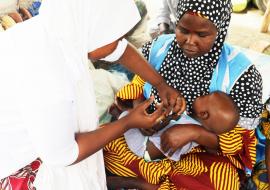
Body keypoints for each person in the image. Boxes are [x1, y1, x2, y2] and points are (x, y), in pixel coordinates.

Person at [0, 0, 185, 189]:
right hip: (17, 170)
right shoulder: (49, 74)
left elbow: (118, 50)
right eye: (115, 36)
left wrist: (160, 84)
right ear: (94, 26)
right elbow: (63, 155)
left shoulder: (55, 29)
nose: (119, 41)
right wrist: (128, 122)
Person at [104, 0, 264, 189]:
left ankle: (145, 183)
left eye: (202, 34)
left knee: (221, 179)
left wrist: (195, 133)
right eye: (183, 30)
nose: (189, 41)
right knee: (105, 149)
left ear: (220, 30)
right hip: (146, 140)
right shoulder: (159, 48)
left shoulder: (242, 75)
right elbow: (137, 86)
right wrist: (139, 108)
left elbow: (240, 143)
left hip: (199, 155)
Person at [117, 91, 240, 162]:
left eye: (204, 96)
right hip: (149, 146)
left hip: (143, 148)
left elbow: (162, 137)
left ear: (203, 114)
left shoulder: (188, 128)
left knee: (126, 117)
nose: (201, 94)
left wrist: (165, 119)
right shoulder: (192, 122)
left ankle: (119, 111)